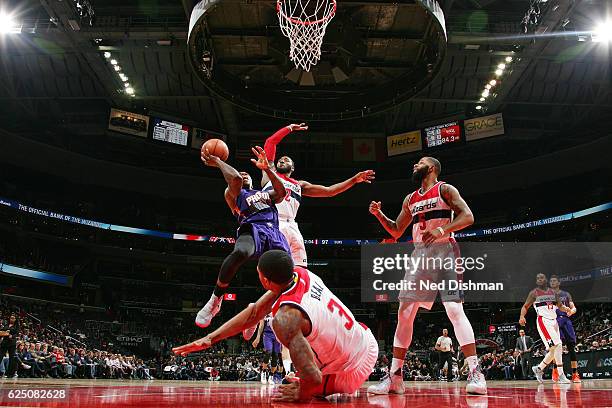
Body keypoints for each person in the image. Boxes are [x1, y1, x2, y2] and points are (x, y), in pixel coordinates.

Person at [174, 250, 379, 402]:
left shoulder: (285, 319)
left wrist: (301, 394)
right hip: (367, 341)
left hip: (350, 371)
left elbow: (314, 379)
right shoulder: (300, 274)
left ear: (265, 279)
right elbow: (255, 312)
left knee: (301, 385)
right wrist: (210, 338)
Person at [367, 157, 487, 395]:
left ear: (431, 168)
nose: (414, 165)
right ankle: (395, 377)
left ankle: (475, 372)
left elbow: (468, 216)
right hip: (420, 255)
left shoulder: (445, 189)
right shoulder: (410, 198)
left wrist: (442, 229)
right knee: (404, 312)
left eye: (419, 162)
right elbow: (396, 230)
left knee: (454, 309)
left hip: (445, 251)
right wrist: (379, 215)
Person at [195, 146, 290, 328]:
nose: (244, 175)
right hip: (252, 229)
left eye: (248, 174)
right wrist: (218, 162)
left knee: (285, 277)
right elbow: (236, 179)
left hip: (275, 233)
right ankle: (216, 299)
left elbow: (281, 193)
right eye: (241, 173)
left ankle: (258, 314)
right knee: (241, 252)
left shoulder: (264, 194)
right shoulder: (234, 193)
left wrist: (267, 169)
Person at [261, 123, 375, 267]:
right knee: (275, 266)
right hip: (273, 222)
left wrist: (354, 180)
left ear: (293, 167)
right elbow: (270, 142)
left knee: (300, 268)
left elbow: (330, 191)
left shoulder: (300, 185)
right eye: (280, 159)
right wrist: (289, 128)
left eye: (286, 160)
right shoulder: (268, 174)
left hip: (293, 226)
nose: (282, 160)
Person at [518, 273, 572, 384]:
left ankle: (538, 369)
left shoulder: (554, 293)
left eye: (541, 277)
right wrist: (522, 316)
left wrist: (565, 308)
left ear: (545, 280)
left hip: (554, 321)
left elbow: (560, 306)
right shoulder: (534, 293)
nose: (539, 279)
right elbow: (525, 306)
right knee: (558, 345)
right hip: (544, 321)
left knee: (553, 350)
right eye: (537, 278)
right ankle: (561, 375)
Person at [549, 275, 581, 382]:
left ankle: (575, 374)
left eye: (554, 281)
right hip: (555, 320)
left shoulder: (566, 294)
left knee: (571, 347)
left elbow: (573, 307)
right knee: (557, 347)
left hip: (566, 320)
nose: (552, 282)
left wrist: (573, 310)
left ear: (558, 283)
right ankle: (555, 371)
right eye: (551, 281)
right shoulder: (548, 295)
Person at [252, 313, 283, 385]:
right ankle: (263, 371)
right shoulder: (265, 311)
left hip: (277, 335)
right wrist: (258, 337)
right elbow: (261, 325)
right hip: (267, 334)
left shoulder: (280, 310)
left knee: (275, 356)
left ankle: (271, 376)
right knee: (268, 352)